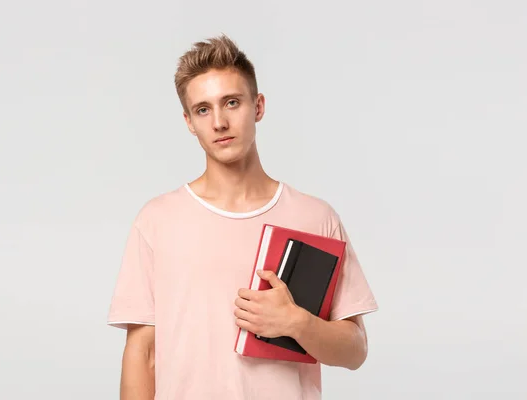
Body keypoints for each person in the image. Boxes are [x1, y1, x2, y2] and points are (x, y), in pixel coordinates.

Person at [106, 34, 378, 400]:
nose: (219, 122)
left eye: (231, 102)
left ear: (258, 106)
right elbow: (143, 353)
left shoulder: (315, 217)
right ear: (188, 121)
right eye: (203, 109)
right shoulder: (157, 220)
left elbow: (355, 350)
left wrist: (297, 323)